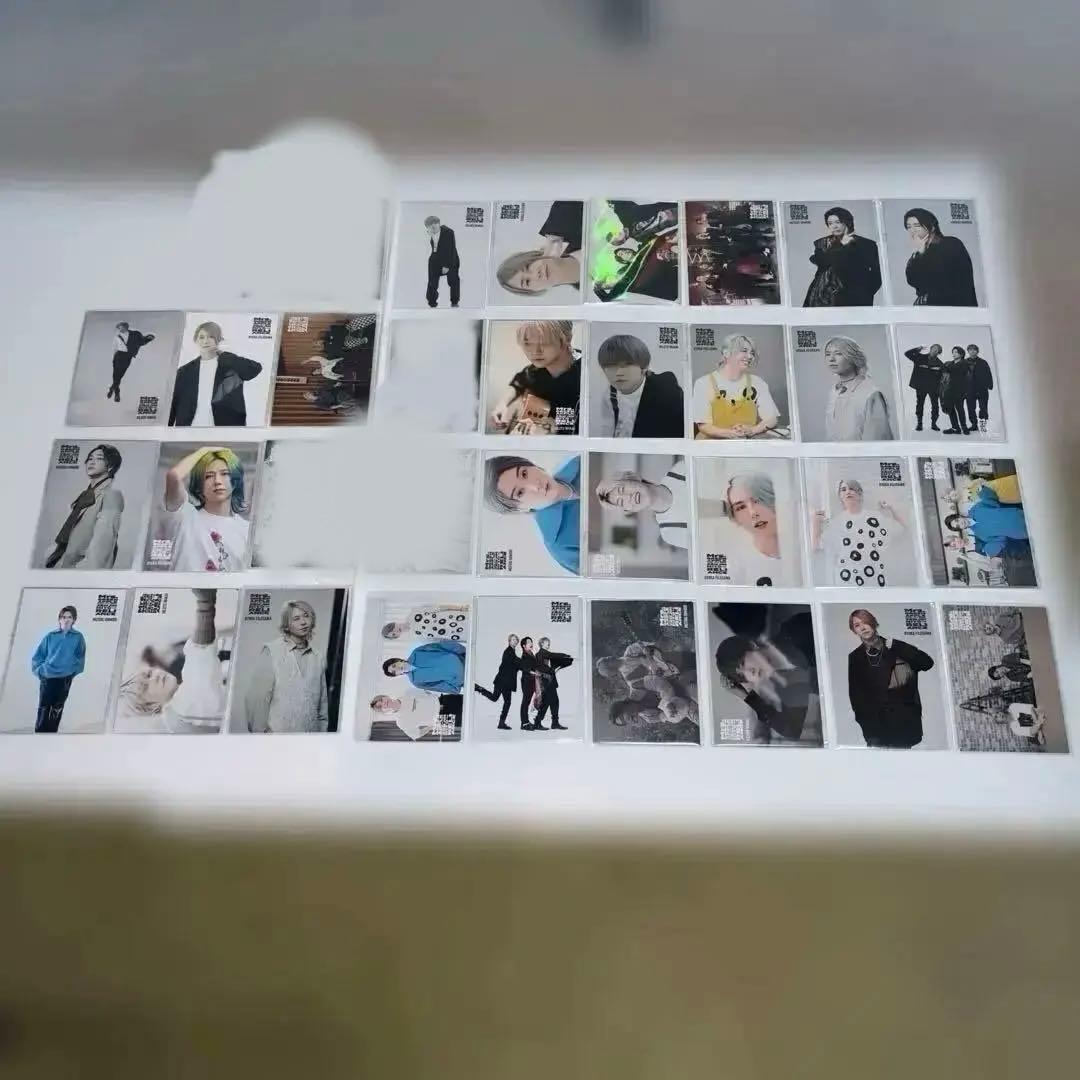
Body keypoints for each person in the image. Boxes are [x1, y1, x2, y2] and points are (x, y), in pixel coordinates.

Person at [114, 589, 228, 734]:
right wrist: (205, 604)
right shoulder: (182, 710)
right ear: (149, 708)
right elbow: (200, 656)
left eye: (149, 674)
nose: (154, 677)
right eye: (145, 687)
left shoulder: (181, 703)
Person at [713, 610, 820, 746]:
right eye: (742, 675)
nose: (749, 672)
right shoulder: (786, 686)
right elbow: (792, 730)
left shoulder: (794, 630)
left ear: (752, 645)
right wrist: (748, 697)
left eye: (743, 663)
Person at [845, 608, 935, 748]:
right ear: (854, 630)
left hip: (904, 723)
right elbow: (856, 696)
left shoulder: (895, 646)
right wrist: (866, 726)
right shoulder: (855, 657)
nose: (862, 628)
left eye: (866, 622)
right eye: (857, 625)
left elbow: (927, 663)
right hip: (876, 729)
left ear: (873, 623)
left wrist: (899, 646)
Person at [154, 446, 249, 572]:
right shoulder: (185, 516)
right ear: (199, 485)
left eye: (225, 474)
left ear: (235, 480)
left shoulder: (246, 529)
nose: (217, 481)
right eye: (208, 476)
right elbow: (174, 476)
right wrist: (204, 450)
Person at [484, 454, 581, 574]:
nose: (535, 486)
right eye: (520, 492)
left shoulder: (578, 462)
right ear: (519, 509)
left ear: (530, 464)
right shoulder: (559, 545)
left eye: (524, 474)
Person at [242, 600, 328, 733]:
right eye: (296, 618)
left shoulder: (318, 657)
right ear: (287, 624)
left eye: (306, 616)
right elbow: (256, 700)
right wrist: (262, 736)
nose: (303, 622)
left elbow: (322, 706)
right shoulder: (272, 651)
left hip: (310, 739)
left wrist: (321, 736)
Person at [488, 320, 580, 435]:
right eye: (527, 343)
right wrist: (502, 405)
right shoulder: (536, 369)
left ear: (567, 339)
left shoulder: (585, 375)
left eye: (544, 342)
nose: (535, 351)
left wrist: (540, 428)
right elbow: (518, 384)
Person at [811, 478, 907, 587]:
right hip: (847, 581)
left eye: (852, 489)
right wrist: (815, 523)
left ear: (860, 493)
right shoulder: (836, 523)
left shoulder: (875, 517)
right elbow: (816, 547)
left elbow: (901, 528)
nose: (848, 491)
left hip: (874, 579)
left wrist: (891, 509)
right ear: (840, 496)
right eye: (844, 489)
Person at [168, 320, 263, 427]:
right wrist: (167, 430)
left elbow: (255, 369)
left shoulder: (230, 365)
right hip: (190, 428)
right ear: (196, 340)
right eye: (201, 337)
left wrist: (225, 355)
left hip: (226, 427)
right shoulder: (184, 371)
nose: (206, 341)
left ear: (218, 339)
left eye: (211, 337)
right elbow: (173, 403)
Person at [45, 444, 125, 569]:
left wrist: (80, 572)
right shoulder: (86, 495)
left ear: (110, 466)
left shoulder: (111, 495)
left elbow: (102, 546)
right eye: (90, 458)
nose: (91, 462)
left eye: (99, 458)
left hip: (77, 571)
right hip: (61, 563)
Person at [692, 332, 780, 440]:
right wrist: (730, 433)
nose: (750, 356)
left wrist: (752, 430)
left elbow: (772, 419)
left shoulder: (758, 383)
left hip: (744, 445)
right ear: (726, 353)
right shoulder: (703, 383)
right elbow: (704, 426)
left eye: (752, 353)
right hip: (710, 446)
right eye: (744, 351)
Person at [595, 333, 684, 438]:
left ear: (644, 367)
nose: (618, 372)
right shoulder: (609, 395)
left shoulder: (666, 390)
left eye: (627, 364)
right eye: (611, 366)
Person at [595, 459, 690, 550]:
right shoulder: (670, 533)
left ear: (632, 478)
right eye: (621, 502)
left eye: (622, 489)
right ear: (628, 510)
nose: (628, 497)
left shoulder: (680, 471)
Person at [494, 200, 583, 297]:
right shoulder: (590, 295)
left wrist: (556, 232)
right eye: (527, 282)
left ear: (533, 257)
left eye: (527, 266)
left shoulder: (572, 227)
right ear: (535, 291)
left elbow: (567, 201)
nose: (536, 274)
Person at [714, 472, 787, 586]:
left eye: (757, 501)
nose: (753, 512)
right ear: (735, 517)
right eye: (741, 507)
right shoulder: (735, 567)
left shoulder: (805, 550)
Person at [802, 206, 882, 307]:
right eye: (830, 223)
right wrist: (842, 245)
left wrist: (865, 293)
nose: (834, 226)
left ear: (847, 222)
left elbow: (877, 274)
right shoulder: (822, 243)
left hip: (855, 298)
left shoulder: (867, 244)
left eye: (838, 222)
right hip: (821, 298)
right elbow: (823, 262)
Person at [902, 207, 978, 307]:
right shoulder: (919, 252)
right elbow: (912, 280)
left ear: (932, 227)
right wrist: (919, 253)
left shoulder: (951, 244)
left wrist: (922, 254)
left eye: (917, 225)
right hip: (928, 309)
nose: (912, 230)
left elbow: (941, 279)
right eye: (909, 227)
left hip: (954, 307)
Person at [823, 335, 894, 440]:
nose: (831, 359)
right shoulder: (834, 392)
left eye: (838, 354)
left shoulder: (871, 394)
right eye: (828, 354)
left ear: (853, 357)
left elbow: (877, 440)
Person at [30, 605, 85, 732]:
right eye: (64, 617)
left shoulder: (78, 637)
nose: (66, 619)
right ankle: (39, 735)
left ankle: (51, 735)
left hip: (65, 678)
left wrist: (71, 672)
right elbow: (38, 656)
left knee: (57, 708)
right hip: (48, 677)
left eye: (69, 617)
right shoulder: (50, 636)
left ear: (74, 620)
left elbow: (80, 657)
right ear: (59, 619)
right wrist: (41, 671)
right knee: (44, 708)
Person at [943, 481, 1030, 559]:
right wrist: (988, 552)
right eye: (958, 526)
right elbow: (999, 541)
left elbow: (991, 501)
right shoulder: (980, 534)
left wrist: (982, 490)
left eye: (957, 521)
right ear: (961, 529)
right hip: (1022, 532)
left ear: (959, 516)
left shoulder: (976, 509)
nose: (961, 523)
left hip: (1020, 514)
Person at [382, 640, 466, 694]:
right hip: (464, 679)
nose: (397, 668)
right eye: (394, 672)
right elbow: (440, 687)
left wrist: (464, 651)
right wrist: (459, 683)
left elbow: (440, 646)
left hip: (465, 659)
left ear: (397, 660)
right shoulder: (416, 682)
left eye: (394, 665)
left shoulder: (417, 652)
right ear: (397, 674)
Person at [369, 692, 461, 741]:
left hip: (446, 700)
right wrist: (431, 726)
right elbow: (417, 735)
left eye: (382, 700)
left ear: (385, 696)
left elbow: (426, 692)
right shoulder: (401, 722)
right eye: (381, 706)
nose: (384, 703)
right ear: (384, 711)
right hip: (443, 718)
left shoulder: (408, 693)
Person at [474, 634, 520, 730]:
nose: (515, 641)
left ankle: (479, 688)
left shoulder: (512, 652)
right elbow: (514, 663)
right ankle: (501, 723)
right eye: (513, 639)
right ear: (509, 641)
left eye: (516, 640)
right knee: (503, 701)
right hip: (503, 681)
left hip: (503, 681)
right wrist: (522, 665)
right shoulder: (508, 652)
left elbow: (514, 665)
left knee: (498, 699)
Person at [108, 321, 156, 402]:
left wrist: (149, 338)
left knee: (120, 376)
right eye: (118, 328)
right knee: (116, 376)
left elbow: (142, 341)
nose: (119, 329)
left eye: (120, 327)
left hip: (127, 357)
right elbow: (115, 348)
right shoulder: (117, 336)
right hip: (118, 356)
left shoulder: (135, 334)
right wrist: (113, 358)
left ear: (125, 327)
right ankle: (117, 394)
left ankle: (112, 388)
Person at [902, 344, 944, 432]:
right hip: (921, 386)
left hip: (933, 388)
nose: (935, 350)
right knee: (920, 404)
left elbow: (942, 378)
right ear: (931, 349)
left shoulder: (940, 364)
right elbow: (907, 354)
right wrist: (917, 349)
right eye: (934, 348)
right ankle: (919, 424)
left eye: (937, 350)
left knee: (935, 406)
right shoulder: (920, 358)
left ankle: (934, 424)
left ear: (939, 352)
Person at [534, 636, 572, 731]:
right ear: (542, 643)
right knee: (553, 702)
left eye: (549, 643)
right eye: (547, 642)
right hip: (546, 682)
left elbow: (554, 660)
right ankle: (550, 723)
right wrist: (564, 655)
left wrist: (567, 659)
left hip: (549, 682)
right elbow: (552, 656)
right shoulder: (541, 654)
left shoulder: (546, 655)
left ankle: (540, 722)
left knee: (547, 702)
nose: (548, 644)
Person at [381, 604, 468, 643]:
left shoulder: (413, 613)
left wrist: (460, 608)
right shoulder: (416, 637)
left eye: (392, 629)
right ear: (397, 636)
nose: (395, 631)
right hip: (460, 634)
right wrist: (464, 641)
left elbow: (439, 608)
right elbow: (442, 640)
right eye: (393, 634)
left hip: (459, 618)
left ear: (394, 623)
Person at [425, 214, 460, 308]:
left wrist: (446, 265)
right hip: (436, 258)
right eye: (430, 227)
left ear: (439, 224)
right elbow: (435, 249)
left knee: (453, 280)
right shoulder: (431, 232)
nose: (433, 228)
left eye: (435, 226)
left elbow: (450, 250)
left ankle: (454, 301)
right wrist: (432, 236)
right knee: (432, 281)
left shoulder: (449, 232)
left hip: (451, 259)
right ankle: (432, 302)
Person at [939, 347, 972, 435]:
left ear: (961, 354)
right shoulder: (950, 363)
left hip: (960, 390)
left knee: (960, 409)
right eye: (953, 352)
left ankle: (964, 427)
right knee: (950, 409)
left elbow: (967, 377)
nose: (954, 354)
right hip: (949, 390)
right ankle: (955, 428)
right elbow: (943, 372)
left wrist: (966, 391)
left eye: (956, 352)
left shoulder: (965, 363)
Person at [965, 343, 994, 431]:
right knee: (971, 408)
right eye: (970, 350)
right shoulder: (965, 362)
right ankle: (974, 425)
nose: (972, 351)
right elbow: (961, 376)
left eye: (974, 350)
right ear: (968, 351)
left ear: (977, 351)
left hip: (982, 389)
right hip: (970, 389)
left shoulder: (983, 362)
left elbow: (988, 374)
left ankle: (982, 425)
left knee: (983, 408)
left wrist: (989, 385)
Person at [516, 637, 542, 730]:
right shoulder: (525, 655)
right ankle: (524, 723)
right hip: (527, 681)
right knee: (525, 702)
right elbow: (525, 668)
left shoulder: (530, 654)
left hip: (531, 681)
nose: (531, 644)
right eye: (528, 642)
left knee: (529, 701)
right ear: (524, 646)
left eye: (531, 642)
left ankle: (527, 721)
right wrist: (535, 673)